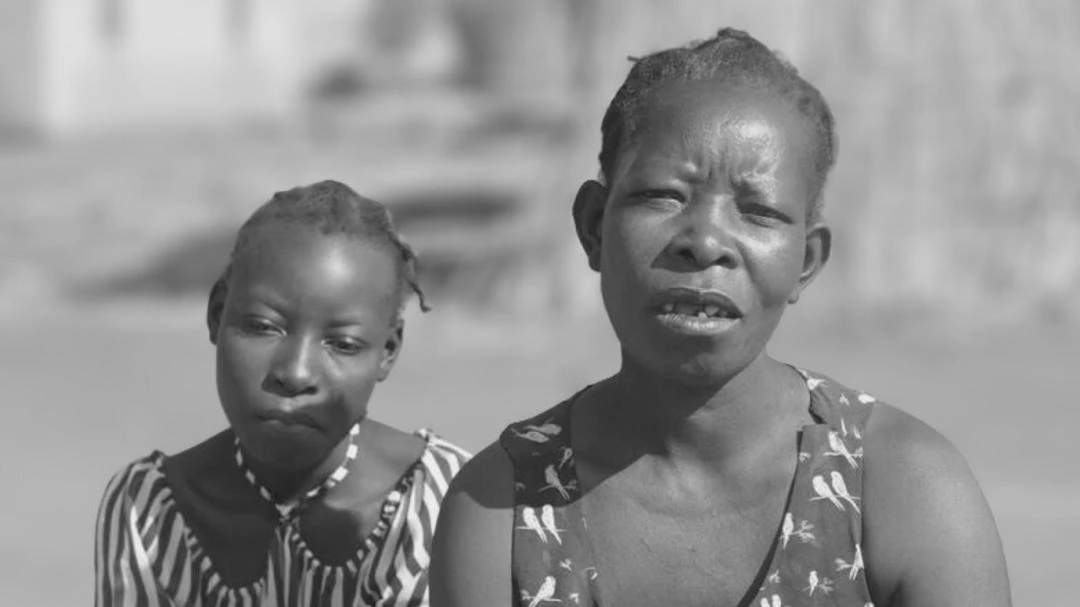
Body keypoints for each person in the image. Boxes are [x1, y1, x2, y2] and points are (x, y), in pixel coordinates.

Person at [430, 28, 1011, 607]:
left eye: (757, 211)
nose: (705, 241)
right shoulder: (502, 509)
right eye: (663, 195)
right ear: (593, 227)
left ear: (805, 263)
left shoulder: (900, 488)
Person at [94, 180, 470, 606]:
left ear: (387, 352)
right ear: (218, 314)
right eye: (262, 326)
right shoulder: (149, 510)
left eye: (343, 345)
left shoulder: (444, 501)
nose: (295, 373)